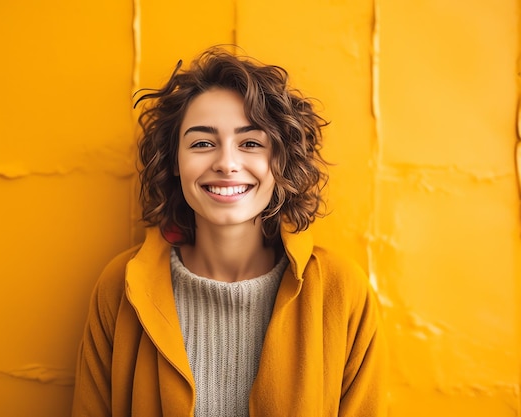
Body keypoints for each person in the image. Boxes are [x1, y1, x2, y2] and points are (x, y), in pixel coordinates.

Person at [72, 47, 388, 417]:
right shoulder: (121, 286)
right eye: (202, 143)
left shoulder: (340, 290)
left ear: (280, 160)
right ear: (175, 161)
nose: (226, 163)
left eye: (251, 143)